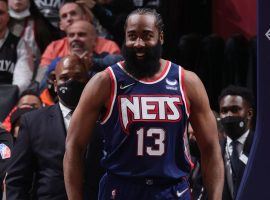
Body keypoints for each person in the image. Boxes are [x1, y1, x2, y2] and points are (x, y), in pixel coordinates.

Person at [64, 8, 224, 200]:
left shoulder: (186, 81)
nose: (138, 43)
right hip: (121, 189)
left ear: (161, 37)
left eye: (147, 36)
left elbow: (211, 148)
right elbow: (74, 146)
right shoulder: (105, 82)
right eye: (132, 36)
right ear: (124, 38)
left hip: (171, 189)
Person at [5, 55, 90, 199]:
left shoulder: (104, 119)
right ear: (56, 86)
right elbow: (17, 179)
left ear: (88, 82)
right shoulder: (33, 122)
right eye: (64, 77)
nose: (71, 82)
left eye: (77, 76)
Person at [218, 85, 255, 200]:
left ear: (249, 114)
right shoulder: (214, 149)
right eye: (224, 111)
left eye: (235, 110)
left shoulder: (261, 147)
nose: (228, 115)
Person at [0, 0, 34, 93]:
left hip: (7, 98)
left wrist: (9, 97)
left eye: (1, 13)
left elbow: (22, 81)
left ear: (8, 16)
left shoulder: (20, 44)